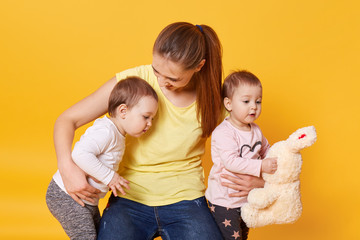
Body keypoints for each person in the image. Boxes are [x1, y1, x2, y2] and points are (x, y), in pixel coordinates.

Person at [53, 22, 264, 240]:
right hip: (128, 196)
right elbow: (67, 120)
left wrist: (260, 181)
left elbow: (255, 148)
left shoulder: (215, 99)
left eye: (172, 79)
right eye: (156, 71)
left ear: (199, 66)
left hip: (188, 199)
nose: (161, 82)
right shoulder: (134, 82)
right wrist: (66, 166)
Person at [46, 76, 158, 240]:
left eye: (152, 119)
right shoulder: (106, 131)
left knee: (101, 235)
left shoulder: (118, 134)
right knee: (85, 236)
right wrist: (110, 177)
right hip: (66, 196)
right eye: (146, 117)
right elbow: (80, 154)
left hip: (87, 200)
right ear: (123, 111)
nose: (150, 124)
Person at [205, 70, 278, 240]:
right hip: (225, 201)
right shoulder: (224, 132)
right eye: (246, 101)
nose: (253, 106)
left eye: (258, 101)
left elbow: (266, 149)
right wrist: (261, 166)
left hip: (246, 199)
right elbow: (231, 162)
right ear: (229, 104)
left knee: (243, 235)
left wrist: (279, 155)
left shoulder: (256, 130)